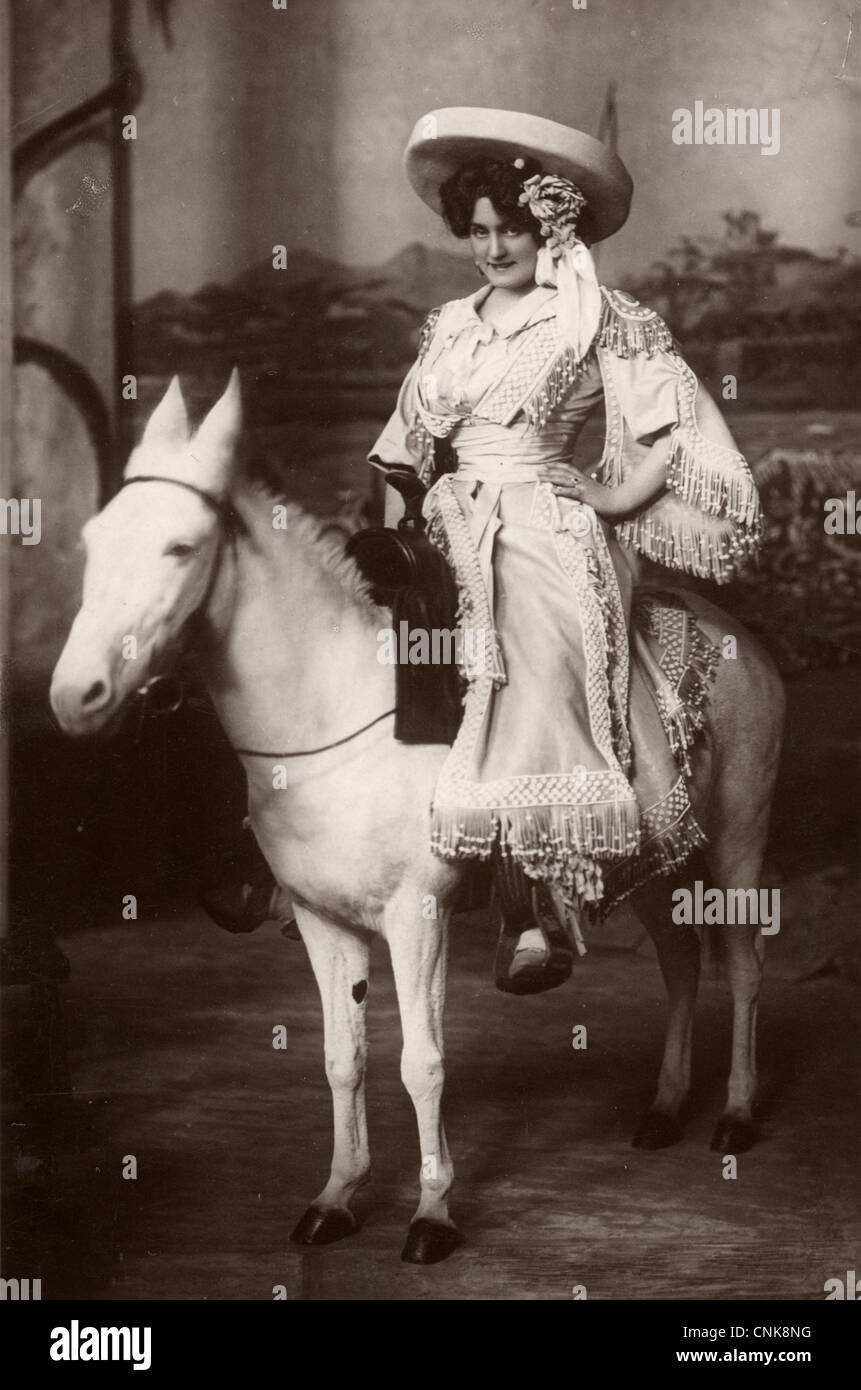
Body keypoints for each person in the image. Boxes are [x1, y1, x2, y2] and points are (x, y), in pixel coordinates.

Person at [366, 107, 762, 989]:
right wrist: (398, 527)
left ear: (550, 227)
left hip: (544, 529)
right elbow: (403, 447)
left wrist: (614, 493)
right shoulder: (448, 325)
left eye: (510, 229)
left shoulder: (594, 319)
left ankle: (538, 903)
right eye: (477, 232)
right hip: (441, 522)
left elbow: (673, 426)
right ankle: (312, 864)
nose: (493, 248)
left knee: (530, 662)